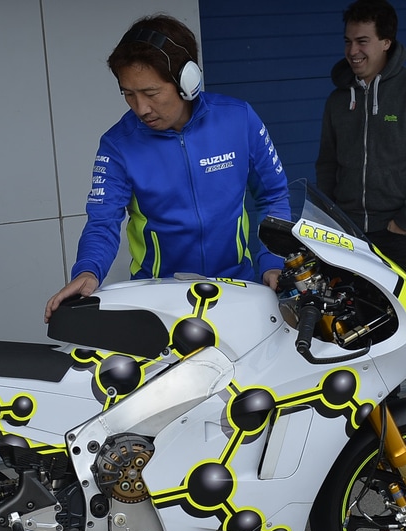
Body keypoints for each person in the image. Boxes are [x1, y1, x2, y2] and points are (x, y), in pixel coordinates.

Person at [45, 14, 290, 321]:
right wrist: (88, 270)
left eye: (150, 93)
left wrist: (272, 262)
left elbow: (274, 196)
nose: (141, 108)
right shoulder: (117, 145)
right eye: (128, 94)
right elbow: (102, 222)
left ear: (187, 82)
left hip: (238, 291)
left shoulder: (239, 120)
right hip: (159, 302)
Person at [314, 0, 406, 398]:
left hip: (399, 233)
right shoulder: (338, 100)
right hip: (351, 239)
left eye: (363, 41)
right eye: (348, 41)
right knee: (365, 323)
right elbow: (327, 164)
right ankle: (384, 412)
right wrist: (332, 219)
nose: (353, 51)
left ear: (386, 43)